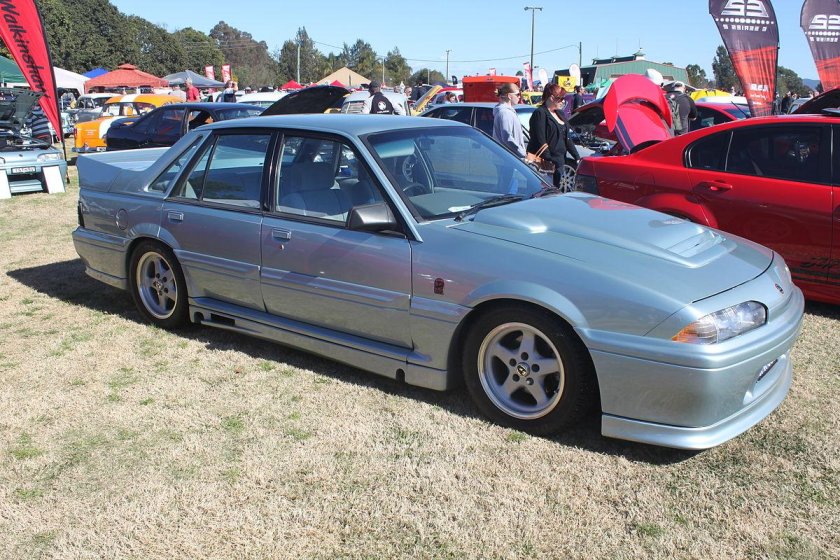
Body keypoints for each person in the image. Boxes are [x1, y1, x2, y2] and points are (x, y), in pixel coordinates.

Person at [527, 83, 580, 189]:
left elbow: (567, 138)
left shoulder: (560, 113)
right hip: (544, 164)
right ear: (551, 98)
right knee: (542, 194)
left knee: (555, 193)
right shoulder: (540, 113)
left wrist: (577, 157)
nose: (563, 101)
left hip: (559, 161)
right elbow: (540, 139)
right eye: (561, 99)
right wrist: (550, 160)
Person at [492, 82, 526, 158]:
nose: (520, 97)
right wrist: (523, 153)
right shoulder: (505, 113)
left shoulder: (507, 111)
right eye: (517, 94)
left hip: (508, 158)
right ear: (509, 96)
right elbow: (507, 137)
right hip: (507, 159)